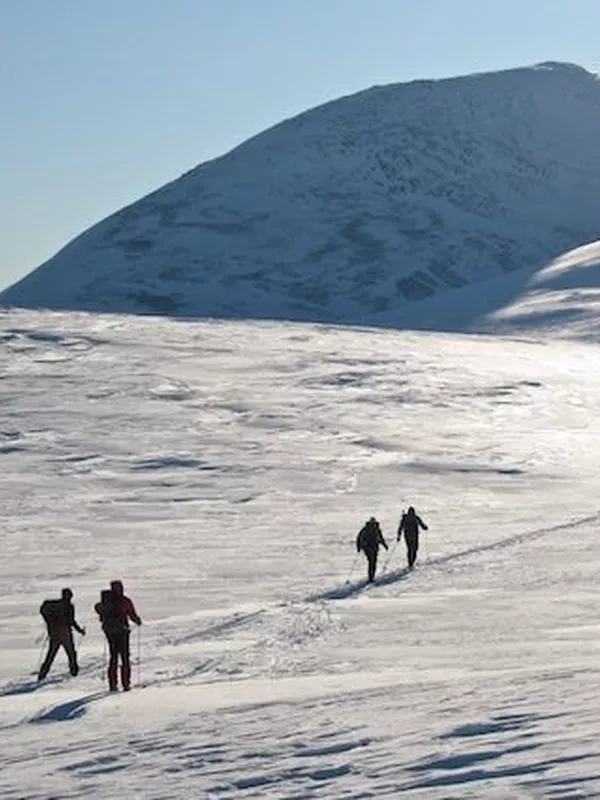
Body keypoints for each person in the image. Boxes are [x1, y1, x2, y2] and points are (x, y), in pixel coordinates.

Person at [95, 580, 142, 692]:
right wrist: (137, 621)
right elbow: (132, 614)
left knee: (113, 657)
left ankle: (113, 684)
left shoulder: (106, 601)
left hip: (110, 632)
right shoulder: (124, 601)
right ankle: (126, 684)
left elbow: (98, 608)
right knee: (125, 657)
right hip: (122, 631)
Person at [38, 588, 86, 681]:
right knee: (71, 654)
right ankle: (74, 673)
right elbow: (71, 621)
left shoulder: (55, 606)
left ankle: (42, 674)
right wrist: (80, 630)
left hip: (54, 633)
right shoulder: (69, 606)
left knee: (51, 655)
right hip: (65, 633)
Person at [356, 517, 388, 582]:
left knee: (373, 562)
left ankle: (372, 576)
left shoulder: (376, 529)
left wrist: (384, 545)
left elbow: (380, 538)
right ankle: (371, 577)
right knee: (371, 561)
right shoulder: (366, 529)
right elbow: (359, 538)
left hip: (374, 547)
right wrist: (359, 547)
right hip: (368, 547)